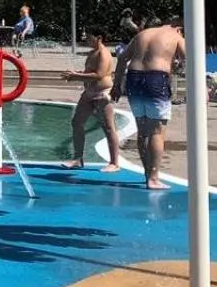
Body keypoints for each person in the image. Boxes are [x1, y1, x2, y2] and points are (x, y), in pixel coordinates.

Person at [112, 16, 186, 189]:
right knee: (156, 132)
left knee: (143, 130)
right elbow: (190, 60)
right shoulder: (176, 36)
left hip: (133, 79)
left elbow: (122, 58)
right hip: (156, 79)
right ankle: (153, 178)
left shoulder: (143, 34)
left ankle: (148, 175)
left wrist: (116, 86)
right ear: (179, 28)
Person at [63, 28, 119, 171]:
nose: (86, 39)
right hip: (89, 92)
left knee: (108, 127)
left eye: (89, 37)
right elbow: (89, 73)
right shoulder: (92, 53)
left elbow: (99, 74)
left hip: (102, 93)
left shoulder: (103, 53)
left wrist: (76, 76)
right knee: (77, 122)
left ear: (99, 37)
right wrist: (74, 75)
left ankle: (114, 163)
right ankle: (77, 158)